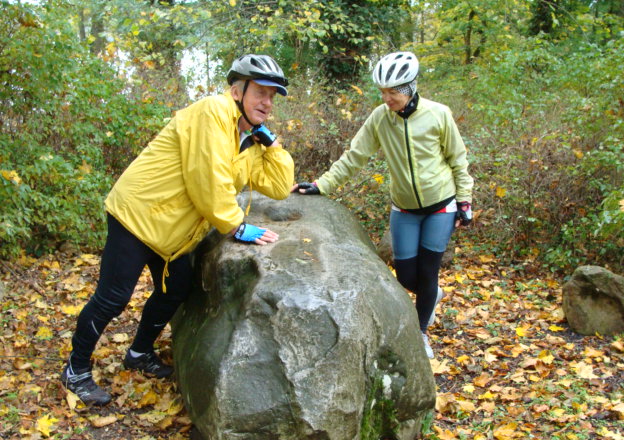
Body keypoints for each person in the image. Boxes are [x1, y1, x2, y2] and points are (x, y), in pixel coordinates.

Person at [61, 54, 294, 405]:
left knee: (176, 289)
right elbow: (207, 180)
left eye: (273, 96)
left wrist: (272, 146)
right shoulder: (213, 111)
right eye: (260, 92)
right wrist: (235, 225)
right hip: (138, 214)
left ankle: (139, 354)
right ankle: (75, 369)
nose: (267, 102)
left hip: (173, 231)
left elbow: (278, 186)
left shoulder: (248, 139)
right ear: (236, 91)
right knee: (114, 297)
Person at [292, 51, 473, 359]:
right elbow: (354, 157)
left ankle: (421, 333)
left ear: (410, 87)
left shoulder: (438, 114)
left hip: (441, 205)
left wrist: (465, 199)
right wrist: (323, 185)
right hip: (403, 207)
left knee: (428, 273)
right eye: (383, 92)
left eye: (393, 92)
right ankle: (431, 297)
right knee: (404, 276)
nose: (387, 98)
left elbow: (458, 159)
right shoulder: (380, 118)